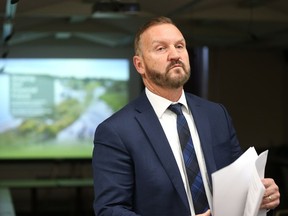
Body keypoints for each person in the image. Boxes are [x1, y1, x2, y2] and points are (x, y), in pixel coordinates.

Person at [92, 16, 280, 216]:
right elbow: (110, 211)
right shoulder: (116, 131)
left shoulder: (216, 114)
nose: (175, 55)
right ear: (140, 65)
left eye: (180, 46)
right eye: (161, 48)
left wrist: (262, 192)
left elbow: (240, 183)